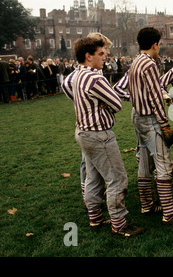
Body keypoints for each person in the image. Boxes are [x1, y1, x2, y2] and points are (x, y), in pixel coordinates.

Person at [62, 36, 144, 237]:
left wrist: (101, 103)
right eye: (100, 54)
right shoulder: (95, 77)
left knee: (93, 177)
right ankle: (119, 223)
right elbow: (116, 103)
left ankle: (95, 217)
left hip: (83, 131)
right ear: (88, 56)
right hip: (99, 134)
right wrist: (105, 104)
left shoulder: (78, 74)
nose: (104, 58)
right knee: (117, 178)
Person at [127, 26, 173, 228]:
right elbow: (155, 99)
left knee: (144, 164)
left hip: (137, 116)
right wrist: (165, 125)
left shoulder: (135, 61)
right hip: (150, 119)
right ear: (155, 44)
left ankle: (147, 205)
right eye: (160, 44)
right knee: (164, 166)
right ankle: (169, 215)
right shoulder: (149, 64)